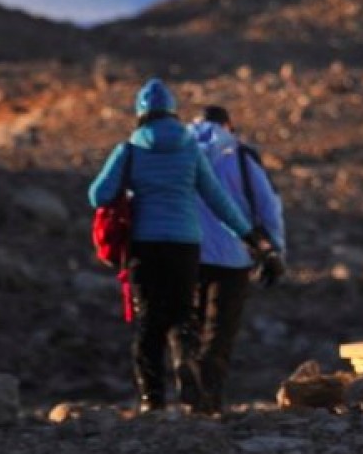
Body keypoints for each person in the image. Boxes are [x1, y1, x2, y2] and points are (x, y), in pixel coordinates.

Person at [88, 79, 264, 413]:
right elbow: (217, 199)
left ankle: (151, 400)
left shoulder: (129, 150)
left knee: (150, 322)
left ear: (141, 114)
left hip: (145, 245)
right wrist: (247, 234)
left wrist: (130, 186)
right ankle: (188, 382)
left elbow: (97, 195)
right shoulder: (189, 150)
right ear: (172, 112)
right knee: (183, 318)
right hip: (186, 245)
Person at [187, 104, 288, 416]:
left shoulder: (177, 153)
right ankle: (209, 403)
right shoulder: (240, 155)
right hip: (232, 257)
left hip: (184, 253)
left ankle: (189, 399)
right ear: (228, 125)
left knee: (188, 328)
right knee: (218, 333)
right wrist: (274, 252)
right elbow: (267, 206)